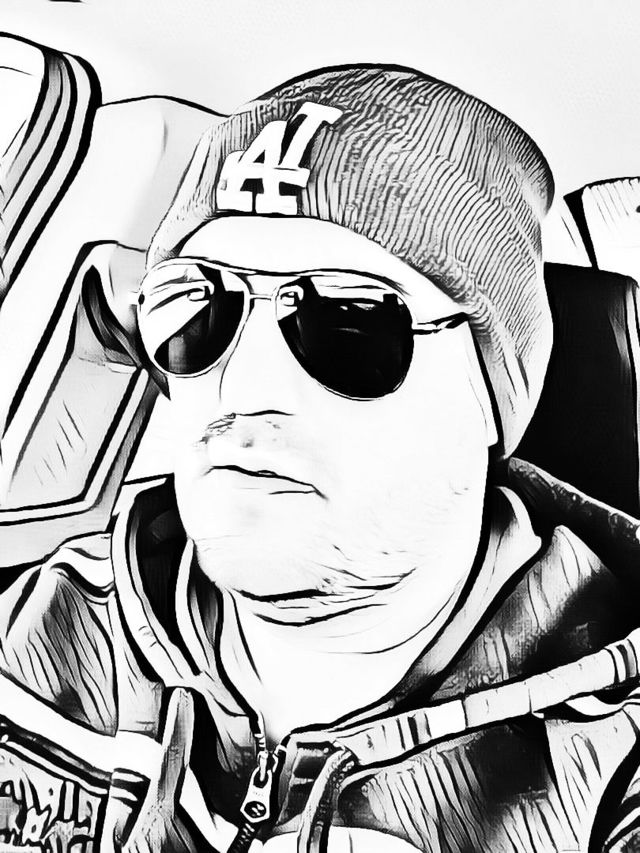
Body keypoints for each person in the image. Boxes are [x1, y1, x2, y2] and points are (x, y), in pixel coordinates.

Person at [1, 63, 640, 853]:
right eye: (199, 308)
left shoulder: (611, 760)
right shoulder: (49, 623)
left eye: (350, 320)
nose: (241, 385)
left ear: (491, 393)